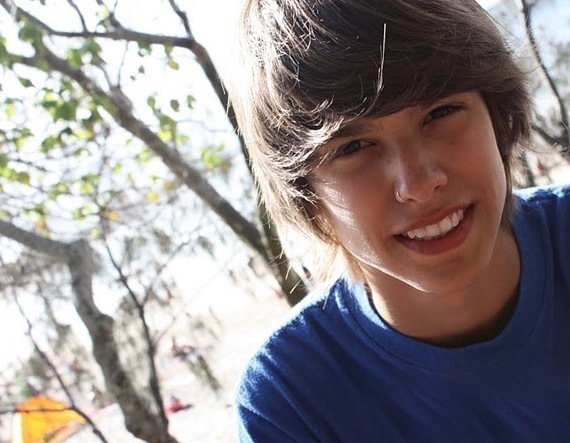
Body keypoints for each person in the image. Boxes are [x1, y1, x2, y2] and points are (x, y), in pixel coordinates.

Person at [229, 0, 570, 441]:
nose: (419, 184)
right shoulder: (292, 404)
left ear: (497, 115)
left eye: (440, 112)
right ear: (306, 194)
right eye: (352, 148)